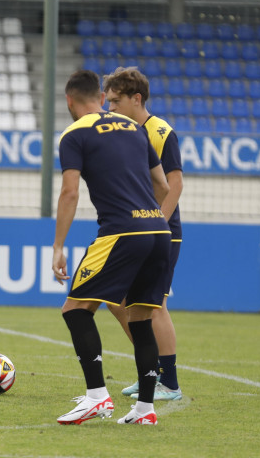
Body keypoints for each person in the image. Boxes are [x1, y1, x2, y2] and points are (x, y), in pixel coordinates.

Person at [51, 69, 171, 426]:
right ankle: (146, 409)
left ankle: (96, 397)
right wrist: (147, 213)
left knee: (75, 310)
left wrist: (58, 245)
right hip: (158, 231)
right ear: (102, 99)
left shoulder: (74, 133)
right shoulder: (134, 128)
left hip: (121, 232)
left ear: (70, 101)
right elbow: (162, 185)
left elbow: (70, 191)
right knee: (142, 320)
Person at [103, 66, 184, 401]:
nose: (110, 108)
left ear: (136, 99)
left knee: (154, 306)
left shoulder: (161, 132)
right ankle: (150, 369)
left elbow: (175, 185)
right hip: (134, 230)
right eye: (107, 101)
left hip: (161, 232)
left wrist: (157, 228)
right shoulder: (122, 132)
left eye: (116, 101)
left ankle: (170, 383)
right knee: (118, 301)